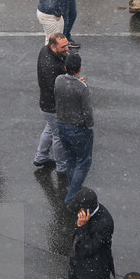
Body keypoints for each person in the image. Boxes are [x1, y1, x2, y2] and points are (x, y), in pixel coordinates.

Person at [55, 53, 95, 205]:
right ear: (79, 69)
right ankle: (72, 197)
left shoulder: (58, 80)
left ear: (65, 67)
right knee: (83, 162)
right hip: (78, 129)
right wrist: (89, 125)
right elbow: (87, 112)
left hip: (62, 125)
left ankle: (74, 186)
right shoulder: (82, 88)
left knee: (70, 159)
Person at [35, 33, 70, 174]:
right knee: (59, 137)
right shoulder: (53, 66)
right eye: (63, 46)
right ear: (53, 47)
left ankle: (41, 157)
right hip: (53, 106)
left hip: (46, 104)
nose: (67, 48)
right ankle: (62, 167)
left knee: (50, 129)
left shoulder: (45, 50)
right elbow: (56, 88)